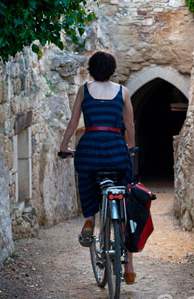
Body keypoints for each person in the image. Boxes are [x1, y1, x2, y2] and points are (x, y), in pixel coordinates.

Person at [59, 50, 137, 284]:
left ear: (91, 69)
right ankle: (130, 266)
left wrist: (64, 147)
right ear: (113, 69)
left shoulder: (84, 90)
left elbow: (74, 122)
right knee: (124, 199)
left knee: (86, 177)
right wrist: (131, 148)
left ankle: (90, 221)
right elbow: (129, 124)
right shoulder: (123, 92)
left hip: (90, 146)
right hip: (115, 149)